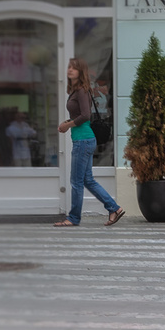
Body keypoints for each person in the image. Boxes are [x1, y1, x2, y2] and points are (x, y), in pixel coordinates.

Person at [54, 58, 126, 227]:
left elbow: (86, 116)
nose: (70, 70)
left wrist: (68, 125)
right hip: (83, 139)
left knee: (76, 181)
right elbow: (80, 115)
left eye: (74, 68)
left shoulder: (81, 90)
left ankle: (73, 218)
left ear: (81, 71)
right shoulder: (76, 91)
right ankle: (114, 208)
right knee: (87, 180)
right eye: (69, 67)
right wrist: (67, 123)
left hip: (83, 140)